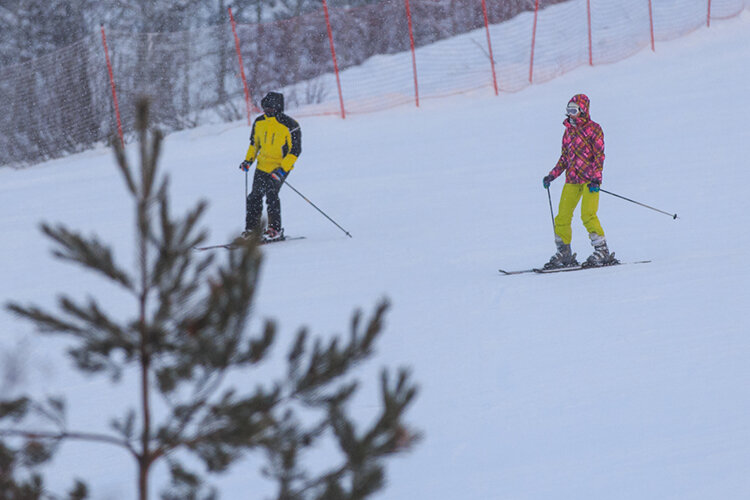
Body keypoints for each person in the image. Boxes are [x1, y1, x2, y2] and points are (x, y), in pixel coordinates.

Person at [542, 94, 617, 268]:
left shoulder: (594, 129)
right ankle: (564, 252)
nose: (570, 114)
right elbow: (564, 159)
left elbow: (599, 156)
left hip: (589, 181)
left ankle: (602, 250)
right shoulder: (568, 131)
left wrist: (596, 179)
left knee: (588, 215)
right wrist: (552, 175)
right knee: (562, 217)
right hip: (572, 180)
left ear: (583, 111)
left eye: (574, 110)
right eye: (568, 110)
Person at [239, 91, 301, 241]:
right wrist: (248, 160)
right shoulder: (259, 122)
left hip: (279, 167)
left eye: (271, 109)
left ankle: (275, 229)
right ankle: (252, 230)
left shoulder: (291, 125)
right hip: (262, 166)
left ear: (279, 108)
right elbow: (254, 144)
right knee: (254, 196)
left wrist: (282, 170)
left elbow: (295, 151)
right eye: (265, 109)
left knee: (272, 194)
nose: (267, 112)